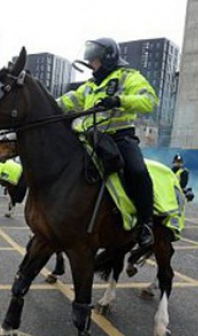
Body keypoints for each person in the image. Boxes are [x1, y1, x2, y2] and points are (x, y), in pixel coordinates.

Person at [57, 37, 158, 248]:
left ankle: (146, 224)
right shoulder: (90, 86)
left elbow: (149, 101)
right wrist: (44, 104)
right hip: (92, 138)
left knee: (138, 171)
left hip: (121, 137)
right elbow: (68, 102)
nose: (92, 65)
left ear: (109, 59)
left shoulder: (128, 77)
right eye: (91, 61)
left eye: (95, 61)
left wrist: (120, 100)